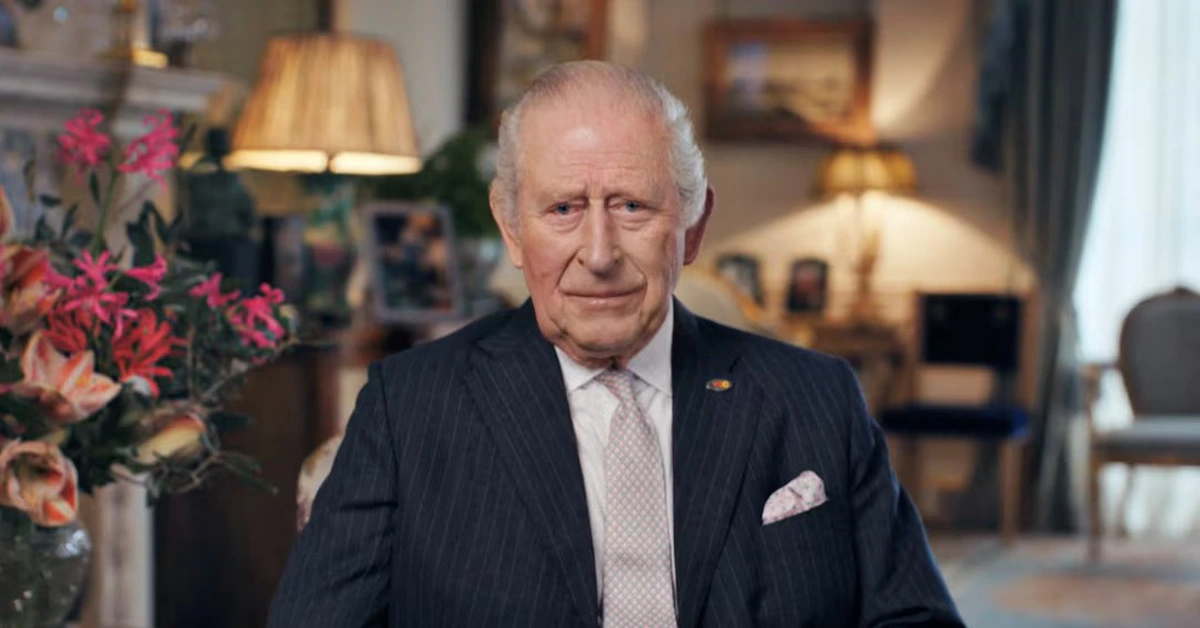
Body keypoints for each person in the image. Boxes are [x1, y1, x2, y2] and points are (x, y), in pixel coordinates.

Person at [268, 61, 963, 627]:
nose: (598, 254)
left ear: (693, 226)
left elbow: (914, 617)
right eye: (563, 209)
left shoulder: (815, 397)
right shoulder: (408, 408)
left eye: (632, 206)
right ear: (512, 229)